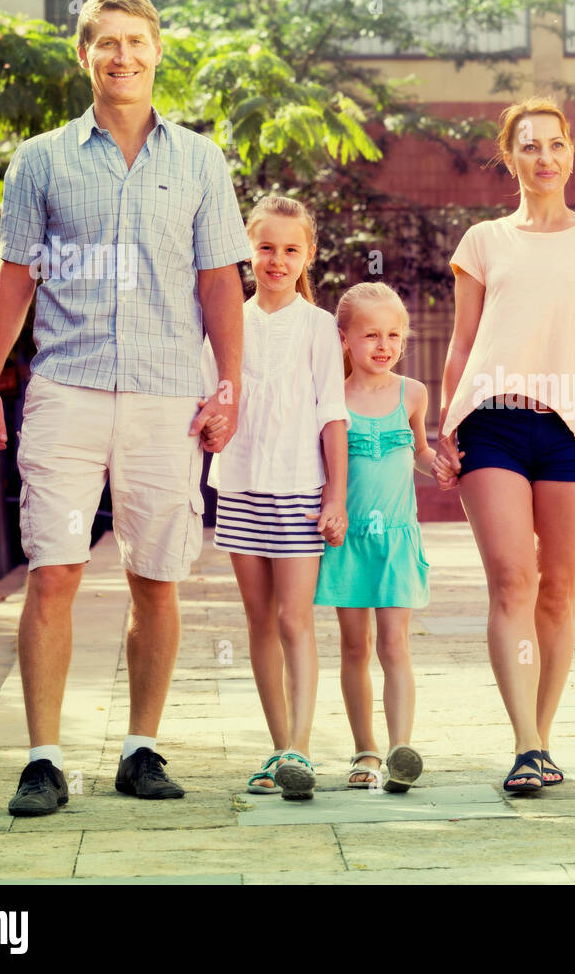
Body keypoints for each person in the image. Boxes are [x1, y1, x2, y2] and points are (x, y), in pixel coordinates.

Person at [0, 0, 248, 816]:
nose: (122, 56)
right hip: (66, 387)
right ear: (83, 55)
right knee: (52, 571)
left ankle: (140, 748)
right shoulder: (42, 160)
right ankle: (44, 759)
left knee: (155, 575)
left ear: (158, 50)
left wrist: (227, 384)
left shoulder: (199, 161)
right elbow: (14, 277)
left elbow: (219, 284)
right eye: (106, 44)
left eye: (136, 42)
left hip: (168, 395)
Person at [434, 97, 575, 795]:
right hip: (492, 422)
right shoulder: (484, 241)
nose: (545, 157)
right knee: (512, 580)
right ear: (511, 154)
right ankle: (524, 743)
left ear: (571, 153)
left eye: (556, 145)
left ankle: (543, 738)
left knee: (557, 589)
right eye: (530, 146)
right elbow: (464, 341)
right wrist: (445, 418)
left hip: (574, 430)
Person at [199, 196, 348, 800]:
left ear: (308, 254)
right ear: (248, 250)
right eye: (266, 248)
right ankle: (277, 745)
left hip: (298, 491)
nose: (277, 260)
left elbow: (332, 416)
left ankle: (301, 750)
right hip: (238, 487)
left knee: (294, 619)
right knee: (259, 620)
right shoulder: (227, 320)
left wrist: (335, 494)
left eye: (291, 250)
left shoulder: (317, 327)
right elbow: (212, 398)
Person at [314, 282, 441, 793]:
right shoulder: (331, 397)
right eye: (370, 334)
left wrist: (443, 466)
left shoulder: (413, 393)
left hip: (395, 541)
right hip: (348, 543)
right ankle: (364, 750)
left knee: (395, 644)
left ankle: (399, 750)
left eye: (393, 334)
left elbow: (421, 451)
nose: (383, 345)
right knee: (353, 645)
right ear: (344, 338)